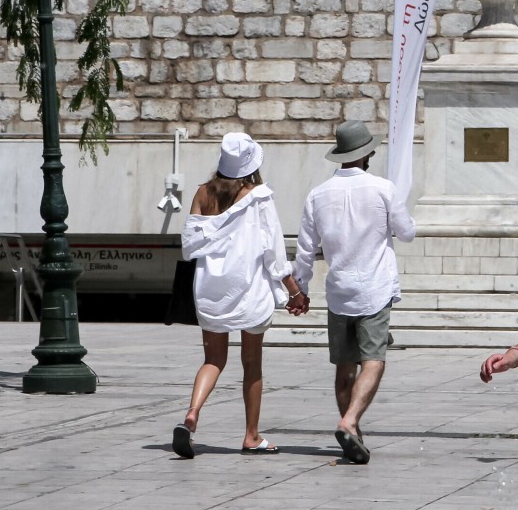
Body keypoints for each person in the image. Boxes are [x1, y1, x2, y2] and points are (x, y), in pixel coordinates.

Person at [172, 132, 307, 459]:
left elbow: (190, 247)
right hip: (248, 287)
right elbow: (273, 252)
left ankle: (192, 414)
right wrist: (294, 291)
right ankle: (251, 435)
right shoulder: (259, 196)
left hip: (210, 287)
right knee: (252, 363)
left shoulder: (202, 194)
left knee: (213, 359)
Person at [293, 121, 415, 464]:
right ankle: (349, 421)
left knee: (344, 366)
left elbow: (305, 250)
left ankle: (355, 433)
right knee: (373, 361)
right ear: (368, 154)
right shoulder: (383, 189)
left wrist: (299, 289)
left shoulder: (317, 194)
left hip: (339, 290)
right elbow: (407, 233)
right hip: (374, 288)